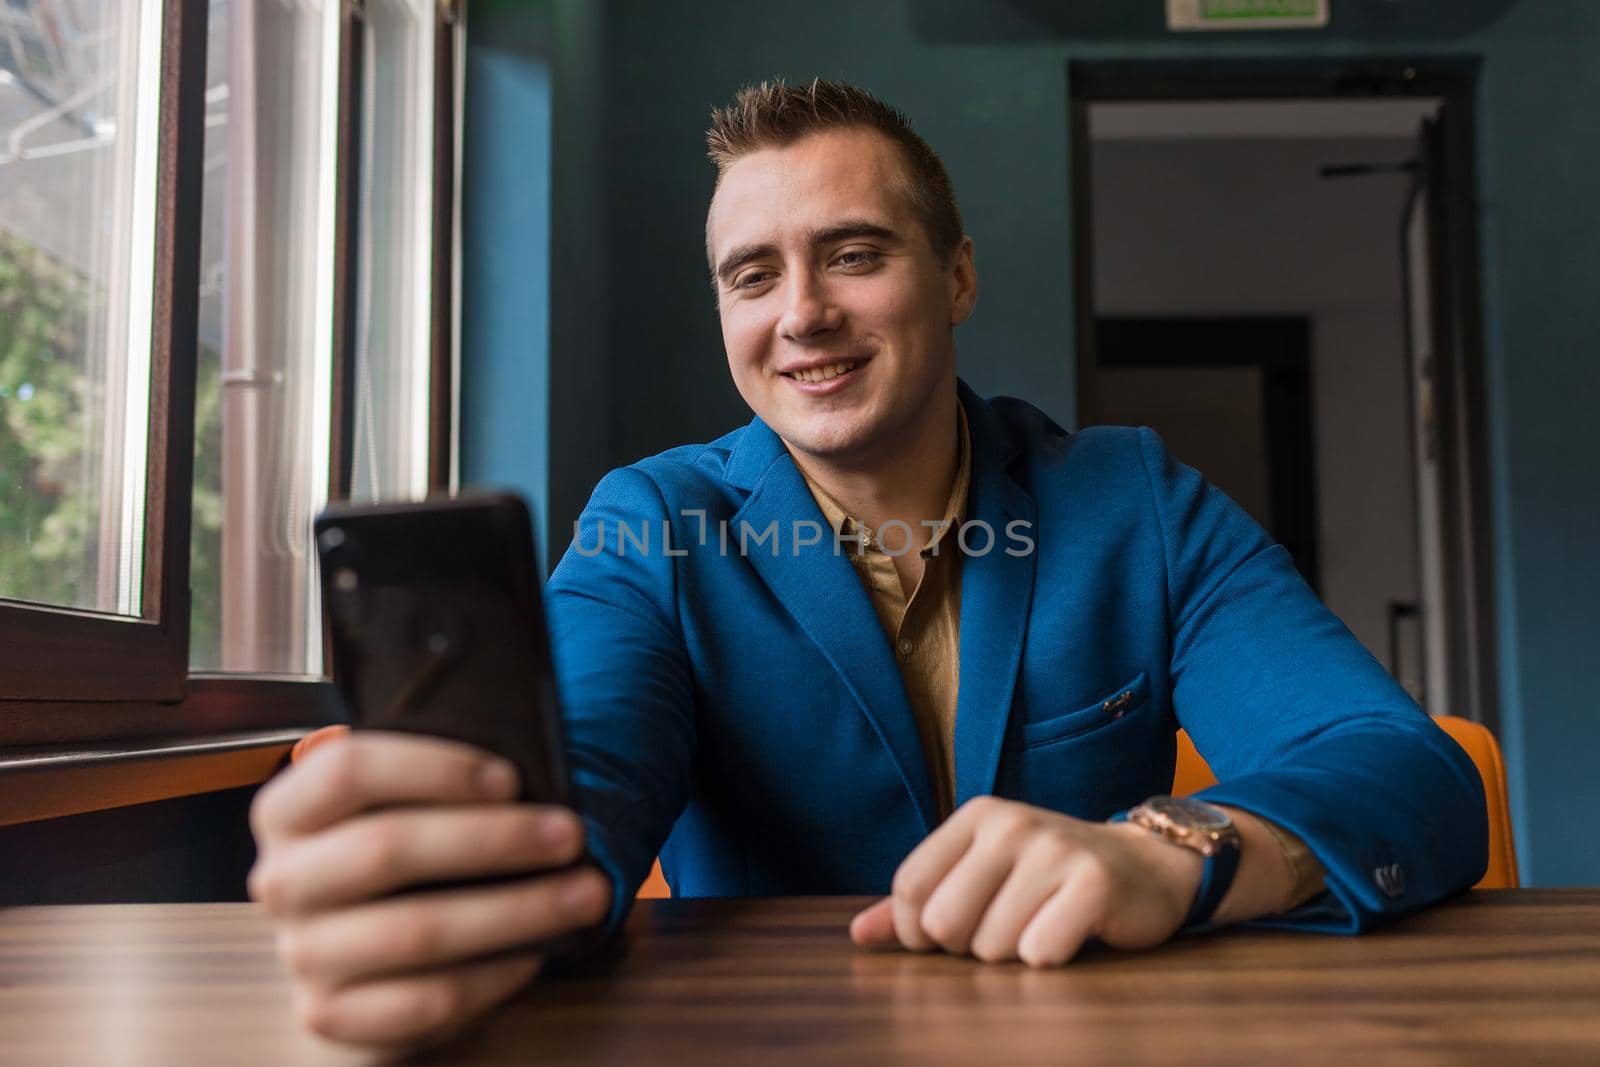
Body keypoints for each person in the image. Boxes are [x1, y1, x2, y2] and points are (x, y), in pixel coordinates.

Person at [248, 78, 1488, 1050]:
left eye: (851, 253)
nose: (801, 314)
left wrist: (1170, 848)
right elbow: (587, 772)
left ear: (953, 275)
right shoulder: (653, 523)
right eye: (753, 275)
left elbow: (1408, 777)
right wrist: (469, 887)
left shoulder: (1133, 500)